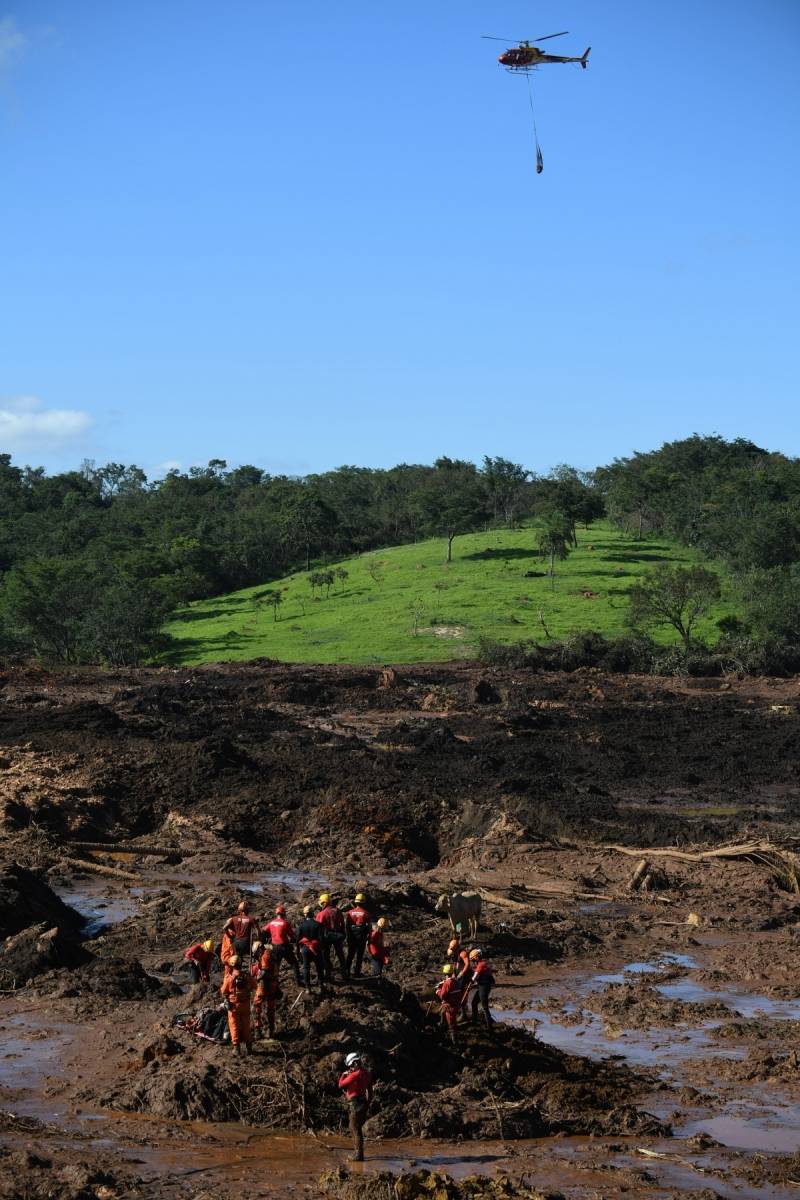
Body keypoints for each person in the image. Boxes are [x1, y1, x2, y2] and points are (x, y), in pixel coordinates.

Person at [338, 1051, 373, 1162]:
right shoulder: (366, 1073)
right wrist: (367, 1104)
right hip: (362, 1103)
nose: (351, 1068)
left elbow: (341, 1084)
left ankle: (358, 1155)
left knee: (354, 1128)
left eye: (351, 1066)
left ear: (354, 1063)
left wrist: (344, 1074)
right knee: (356, 1128)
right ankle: (358, 1152)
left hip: (355, 1104)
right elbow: (370, 1091)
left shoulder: (355, 1074)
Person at [220, 954, 255, 1055]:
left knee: (234, 1025)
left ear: (232, 965)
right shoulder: (247, 976)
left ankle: (236, 1048)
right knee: (246, 1026)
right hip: (245, 1004)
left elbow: (223, 991)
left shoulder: (229, 978)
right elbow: (255, 985)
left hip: (233, 1006)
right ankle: (249, 1048)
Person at [264, 904, 302, 985]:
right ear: (284, 914)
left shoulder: (271, 923)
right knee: (294, 963)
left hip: (274, 947)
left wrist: (270, 936)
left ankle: (275, 982)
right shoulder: (285, 923)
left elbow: (264, 930)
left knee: (276, 965)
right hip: (284, 946)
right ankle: (298, 981)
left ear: (276, 913)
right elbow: (292, 936)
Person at [251, 941, 281, 1040]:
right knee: (270, 1009)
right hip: (273, 984)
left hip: (264, 985)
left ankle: (257, 1031)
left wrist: (256, 979)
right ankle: (271, 1031)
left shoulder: (265, 956)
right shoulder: (271, 954)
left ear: (259, 949)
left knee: (256, 1008)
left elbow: (264, 972)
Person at [316, 893, 348, 981]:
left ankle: (328, 973)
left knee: (325, 955)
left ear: (323, 903)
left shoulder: (321, 914)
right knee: (340, 954)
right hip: (337, 935)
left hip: (327, 937)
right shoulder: (337, 910)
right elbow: (342, 923)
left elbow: (318, 927)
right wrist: (342, 933)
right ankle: (344, 972)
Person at [296, 904, 325, 992]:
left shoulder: (301, 926)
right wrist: (321, 948)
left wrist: (298, 951)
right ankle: (321, 986)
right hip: (316, 948)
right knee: (319, 967)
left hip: (305, 949)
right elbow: (321, 939)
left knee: (306, 968)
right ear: (313, 914)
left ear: (305, 915)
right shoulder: (318, 925)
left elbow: (297, 940)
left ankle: (308, 988)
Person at [345, 893, 372, 978]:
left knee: (350, 954)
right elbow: (369, 926)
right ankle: (357, 973)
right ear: (364, 903)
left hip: (352, 936)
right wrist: (369, 937)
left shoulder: (350, 913)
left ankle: (347, 972)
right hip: (361, 937)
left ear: (355, 902)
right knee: (359, 955)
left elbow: (347, 926)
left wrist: (348, 936)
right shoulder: (366, 913)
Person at [436, 964, 464, 1046]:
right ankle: (443, 1029)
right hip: (456, 1004)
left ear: (445, 973)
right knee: (442, 1013)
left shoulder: (447, 983)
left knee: (452, 1024)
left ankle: (455, 1042)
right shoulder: (456, 982)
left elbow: (443, 996)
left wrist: (438, 991)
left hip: (449, 1006)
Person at [469, 949, 496, 1029]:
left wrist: (470, 982)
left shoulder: (481, 965)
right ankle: (474, 1021)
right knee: (474, 1003)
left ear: (477, 957)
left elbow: (475, 977)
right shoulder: (482, 963)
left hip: (484, 987)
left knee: (485, 1007)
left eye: (473, 959)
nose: (473, 961)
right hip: (482, 986)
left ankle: (489, 1027)